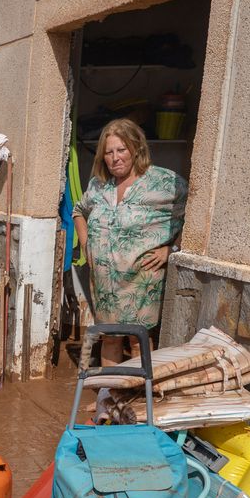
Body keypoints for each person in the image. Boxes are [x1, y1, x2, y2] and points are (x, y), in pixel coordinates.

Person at [72, 118, 187, 365]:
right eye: (109, 152)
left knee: (137, 340)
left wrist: (172, 248)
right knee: (110, 338)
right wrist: (86, 246)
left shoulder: (163, 182)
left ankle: (134, 398)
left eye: (121, 150)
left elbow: (195, 212)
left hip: (141, 280)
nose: (115, 158)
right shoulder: (99, 184)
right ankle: (110, 398)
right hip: (104, 283)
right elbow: (79, 211)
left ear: (136, 148)